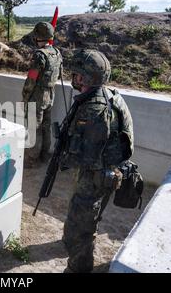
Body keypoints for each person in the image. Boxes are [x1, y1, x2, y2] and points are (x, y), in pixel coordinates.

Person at [61, 49, 134, 273]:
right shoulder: (111, 95)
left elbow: (87, 157)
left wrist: (65, 152)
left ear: (86, 78)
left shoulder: (94, 108)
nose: (74, 78)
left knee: (78, 229)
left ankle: (77, 269)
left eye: (78, 74)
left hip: (95, 175)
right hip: (111, 171)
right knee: (91, 218)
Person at [22, 22, 63, 167]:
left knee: (34, 128)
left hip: (37, 96)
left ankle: (31, 159)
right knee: (45, 126)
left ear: (37, 37)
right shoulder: (56, 53)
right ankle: (44, 156)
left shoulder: (39, 55)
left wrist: (25, 96)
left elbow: (32, 78)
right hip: (50, 95)